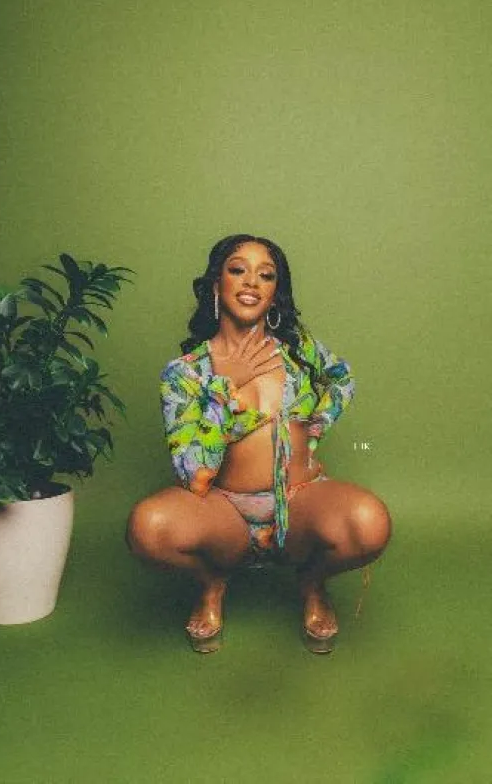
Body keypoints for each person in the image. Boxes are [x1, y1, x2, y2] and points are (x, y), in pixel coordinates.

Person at [126, 234, 391, 654]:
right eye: (238, 270)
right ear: (216, 285)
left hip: (299, 500)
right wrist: (224, 386)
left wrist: (316, 426)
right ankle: (212, 583)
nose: (251, 281)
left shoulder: (298, 350)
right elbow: (195, 477)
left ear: (274, 293)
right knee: (147, 527)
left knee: (370, 522)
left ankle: (312, 583)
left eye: (265, 275)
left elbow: (341, 377)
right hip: (225, 511)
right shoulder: (185, 373)